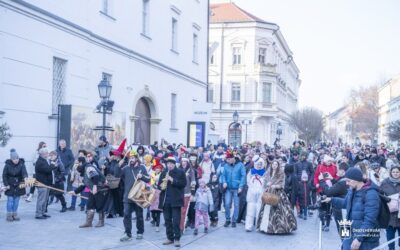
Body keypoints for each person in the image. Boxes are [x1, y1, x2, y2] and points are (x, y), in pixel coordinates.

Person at [323, 168, 381, 250]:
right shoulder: (352, 190)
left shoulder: (371, 194)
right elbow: (346, 203)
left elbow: (370, 220)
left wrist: (359, 238)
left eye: (348, 181)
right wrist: (331, 200)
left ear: (356, 180)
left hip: (365, 239)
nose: (346, 183)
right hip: (350, 232)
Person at [257, 160, 297, 234]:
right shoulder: (268, 173)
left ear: (278, 165)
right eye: (273, 164)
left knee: (279, 211)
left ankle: (279, 229)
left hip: (277, 193)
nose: (274, 165)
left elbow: (282, 184)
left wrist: (275, 186)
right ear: (271, 165)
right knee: (266, 209)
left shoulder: (281, 173)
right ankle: (264, 227)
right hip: (268, 193)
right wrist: (266, 185)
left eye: (276, 164)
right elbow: (264, 182)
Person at [69, 157, 109, 228]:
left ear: (81, 163)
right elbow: (84, 184)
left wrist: (94, 186)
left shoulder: (88, 168)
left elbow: (96, 176)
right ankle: (88, 222)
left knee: (99, 206)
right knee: (90, 206)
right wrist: (75, 191)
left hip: (100, 189)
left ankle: (101, 222)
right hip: (93, 190)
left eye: (77, 164)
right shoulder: (84, 170)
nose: (76, 166)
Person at [120, 152, 150, 242]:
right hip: (127, 196)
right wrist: (119, 165)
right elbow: (117, 174)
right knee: (126, 215)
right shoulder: (125, 168)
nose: (131, 159)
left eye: (133, 157)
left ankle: (140, 232)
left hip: (138, 195)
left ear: (137, 158)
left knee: (139, 215)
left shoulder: (142, 167)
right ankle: (127, 233)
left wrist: (142, 176)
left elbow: (148, 179)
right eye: (130, 158)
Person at [158, 156, 186, 248]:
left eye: (171, 164)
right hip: (165, 201)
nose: (169, 165)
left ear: (174, 164)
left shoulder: (180, 172)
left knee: (176, 221)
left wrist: (172, 180)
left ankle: (177, 238)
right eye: (168, 164)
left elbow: (183, 184)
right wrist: (161, 185)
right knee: (167, 220)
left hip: (176, 201)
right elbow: (158, 185)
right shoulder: (163, 173)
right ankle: (169, 238)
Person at [221, 150, 246, 228]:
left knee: (236, 205)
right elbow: (223, 175)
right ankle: (227, 219)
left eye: (228, 159)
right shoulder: (226, 166)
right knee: (227, 204)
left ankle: (234, 220)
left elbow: (243, 176)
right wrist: (224, 182)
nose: (227, 161)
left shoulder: (240, 165)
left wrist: (241, 186)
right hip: (228, 188)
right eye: (226, 160)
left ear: (233, 158)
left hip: (236, 188)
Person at [3, 149, 28, 221]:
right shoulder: (7, 165)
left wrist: (25, 178)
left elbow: (24, 172)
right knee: (10, 200)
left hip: (19, 184)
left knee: (16, 200)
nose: (16, 160)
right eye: (14, 159)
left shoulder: (21, 164)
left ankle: (15, 214)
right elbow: (4, 175)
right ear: (11, 159)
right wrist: (6, 184)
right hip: (10, 184)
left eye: (17, 158)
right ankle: (9, 215)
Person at [379, 165, 400, 250]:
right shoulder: (385, 182)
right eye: (393, 172)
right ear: (390, 173)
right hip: (389, 213)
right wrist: (387, 199)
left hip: (399, 214)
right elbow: (379, 194)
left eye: (397, 172)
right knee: (390, 236)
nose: (395, 173)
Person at [245, 157, 266, 232]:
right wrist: (251, 188)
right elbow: (248, 181)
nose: (259, 165)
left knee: (259, 209)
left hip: (260, 192)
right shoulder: (251, 171)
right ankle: (248, 226)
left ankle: (259, 226)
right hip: (252, 192)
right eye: (258, 164)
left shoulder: (264, 172)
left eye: (261, 164)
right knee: (250, 209)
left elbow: (265, 182)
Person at [35, 148, 56, 219]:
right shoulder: (40, 162)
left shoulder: (44, 160)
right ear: (43, 154)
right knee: (41, 200)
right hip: (42, 184)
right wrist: (53, 164)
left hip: (46, 183)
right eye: (47, 153)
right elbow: (47, 170)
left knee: (45, 199)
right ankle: (38, 214)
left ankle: (43, 212)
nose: (48, 154)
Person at [295, 152, 314, 220]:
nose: (303, 157)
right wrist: (298, 180)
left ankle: (305, 213)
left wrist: (310, 181)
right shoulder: (297, 164)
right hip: (299, 183)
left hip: (306, 183)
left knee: (306, 198)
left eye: (304, 155)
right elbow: (295, 173)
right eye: (302, 155)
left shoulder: (309, 163)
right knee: (299, 197)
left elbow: (312, 173)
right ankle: (301, 212)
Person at [179, 157, 196, 233]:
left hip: (187, 193)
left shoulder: (191, 171)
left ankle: (181, 228)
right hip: (178, 193)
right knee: (178, 211)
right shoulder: (178, 170)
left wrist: (192, 194)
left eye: (185, 161)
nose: (183, 163)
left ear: (187, 162)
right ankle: (178, 226)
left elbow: (193, 182)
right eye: (182, 161)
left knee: (184, 211)